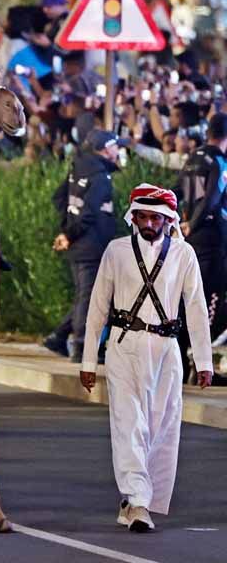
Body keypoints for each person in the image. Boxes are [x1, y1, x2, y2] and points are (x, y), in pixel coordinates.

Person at [81, 184, 213, 533]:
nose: (149, 222)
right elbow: (98, 308)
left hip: (167, 352)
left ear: (168, 220)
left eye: (156, 217)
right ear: (133, 217)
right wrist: (88, 362)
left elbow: (197, 307)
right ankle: (138, 501)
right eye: (143, 216)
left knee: (161, 428)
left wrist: (203, 361)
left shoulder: (184, 256)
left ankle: (135, 499)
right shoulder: (116, 251)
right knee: (129, 424)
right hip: (125, 346)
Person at [48, 129, 126, 361]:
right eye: (115, 146)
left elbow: (59, 197)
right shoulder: (100, 176)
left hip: (80, 243)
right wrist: (69, 233)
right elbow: (90, 211)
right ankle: (82, 347)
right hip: (90, 245)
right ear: (104, 149)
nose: (118, 150)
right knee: (89, 296)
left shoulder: (78, 168)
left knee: (86, 294)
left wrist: (67, 229)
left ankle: (59, 337)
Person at [177, 112, 227, 374]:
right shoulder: (219, 161)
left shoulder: (190, 159)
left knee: (190, 300)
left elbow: (173, 192)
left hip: (192, 240)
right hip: (212, 238)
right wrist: (193, 223)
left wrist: (180, 223)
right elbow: (212, 198)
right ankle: (201, 366)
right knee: (211, 303)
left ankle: (185, 363)